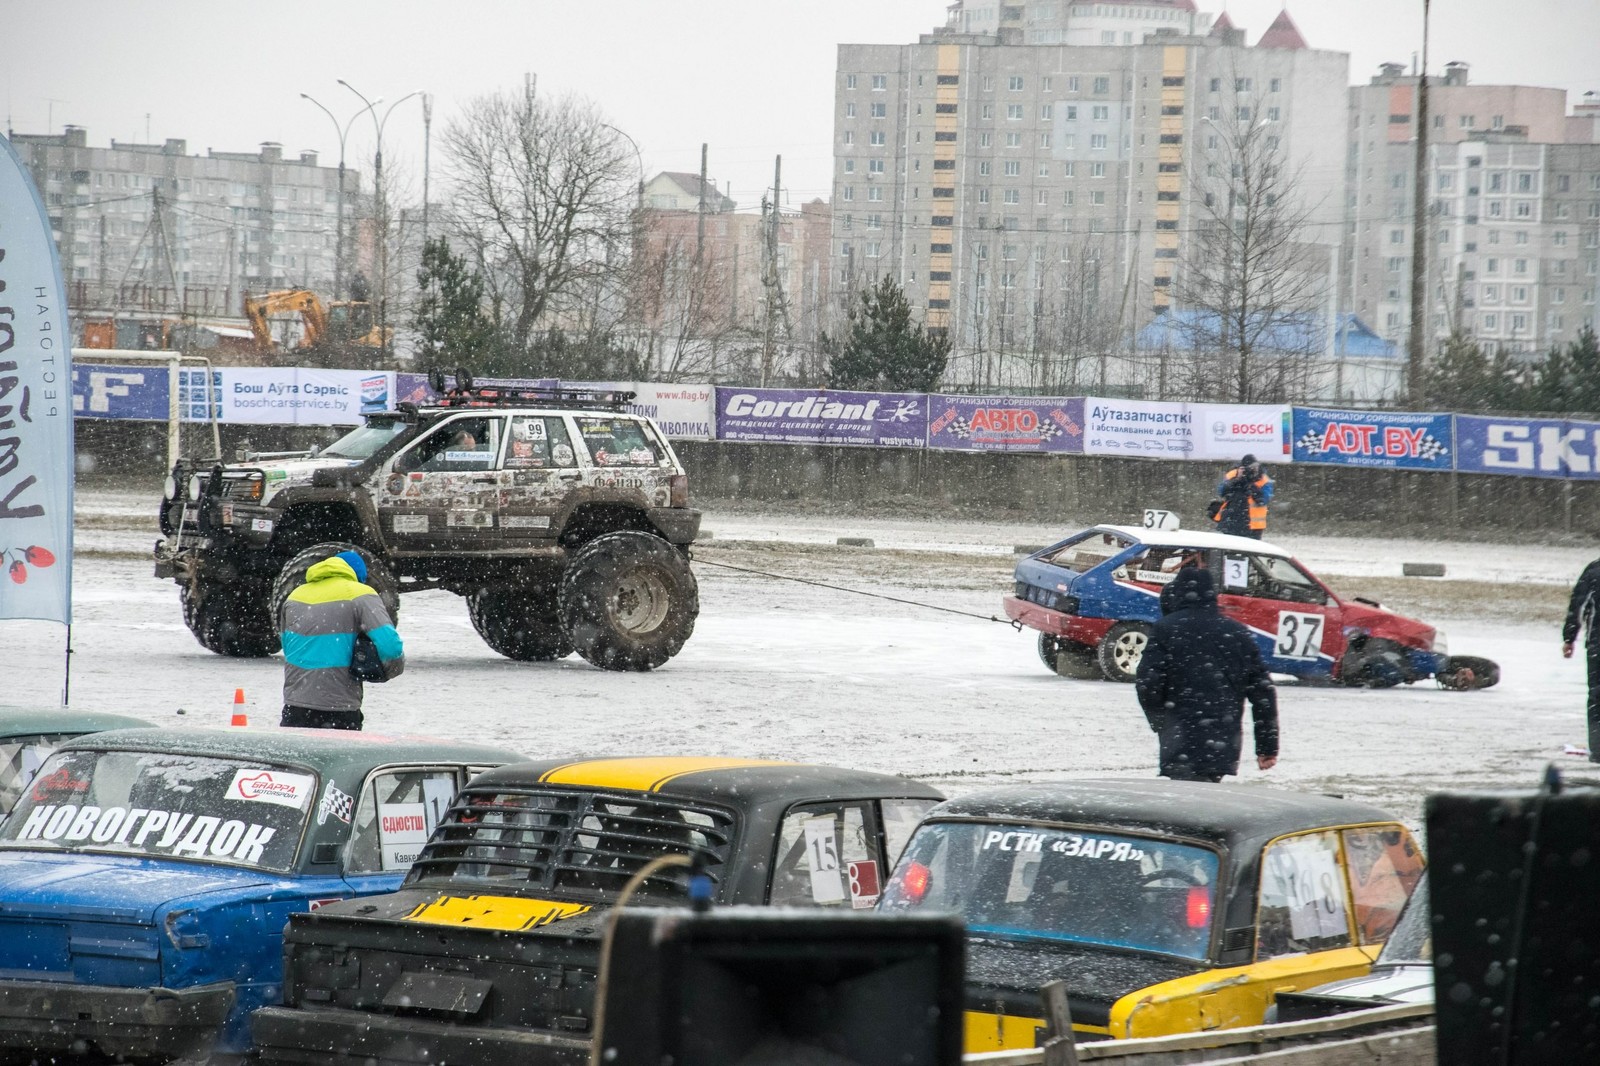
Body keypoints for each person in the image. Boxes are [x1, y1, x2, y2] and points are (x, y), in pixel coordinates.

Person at [1135, 567, 1279, 783]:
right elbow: (1263, 693)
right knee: (1206, 793)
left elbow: (1148, 683)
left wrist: (1160, 721)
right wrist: (1267, 746)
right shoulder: (1238, 632)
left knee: (1183, 800)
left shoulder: (1167, 628)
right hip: (1223, 737)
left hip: (1180, 734)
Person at [280, 549, 405, 730]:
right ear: (357, 575)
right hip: (339, 706)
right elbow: (391, 647)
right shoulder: (361, 594)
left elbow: (288, 646)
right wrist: (387, 672)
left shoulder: (295, 596)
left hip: (295, 705)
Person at [1562, 557, 1600, 761]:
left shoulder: (1594, 569)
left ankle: (1598, 749)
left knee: (1596, 697)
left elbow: (1578, 605)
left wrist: (1569, 638)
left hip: (1597, 644)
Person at [1213, 454, 1274, 539]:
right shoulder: (1232, 475)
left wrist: (1252, 487)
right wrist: (1236, 480)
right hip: (1231, 521)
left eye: (1255, 467)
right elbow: (1222, 492)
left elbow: (1263, 500)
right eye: (1249, 467)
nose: (1252, 470)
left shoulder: (1264, 480)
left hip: (1253, 525)